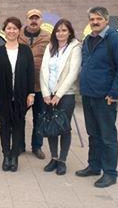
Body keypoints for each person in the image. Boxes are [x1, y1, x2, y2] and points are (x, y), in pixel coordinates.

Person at [76, 6, 118, 188]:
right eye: (92, 19)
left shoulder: (115, 39)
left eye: (98, 19)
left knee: (107, 136)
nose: (95, 22)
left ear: (106, 20)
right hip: (88, 94)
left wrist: (114, 93)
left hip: (105, 97)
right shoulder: (88, 40)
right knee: (93, 134)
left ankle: (110, 173)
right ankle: (94, 166)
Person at [0, 17, 34, 172]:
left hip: (21, 96)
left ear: (19, 31)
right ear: (4, 30)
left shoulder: (26, 50)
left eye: (15, 28)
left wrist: (31, 93)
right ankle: (6, 154)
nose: (12, 31)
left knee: (18, 126)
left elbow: (30, 74)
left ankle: (14, 156)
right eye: (9, 28)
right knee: (5, 126)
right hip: (2, 96)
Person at [39, 18, 82, 175]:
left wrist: (58, 94)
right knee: (51, 126)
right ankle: (54, 158)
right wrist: (45, 93)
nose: (60, 33)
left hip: (66, 95)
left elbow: (72, 73)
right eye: (58, 30)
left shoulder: (75, 47)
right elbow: (43, 70)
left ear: (69, 32)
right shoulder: (50, 47)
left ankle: (62, 161)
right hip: (48, 95)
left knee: (63, 128)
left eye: (64, 30)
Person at [17, 9, 50, 159]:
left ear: (41, 20)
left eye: (37, 18)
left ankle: (37, 146)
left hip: (40, 85)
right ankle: (19, 145)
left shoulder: (48, 38)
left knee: (40, 117)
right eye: (31, 18)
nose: (34, 21)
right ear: (27, 20)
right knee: (19, 116)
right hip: (21, 85)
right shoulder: (18, 35)